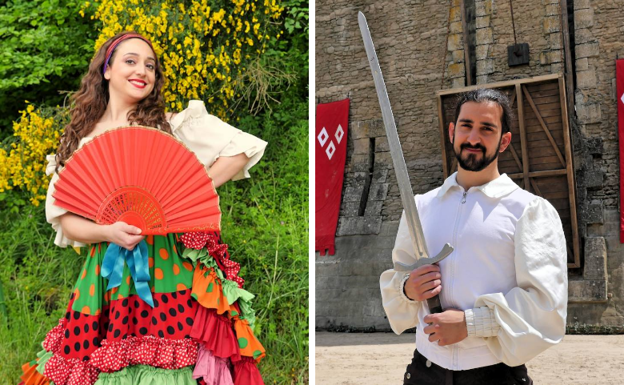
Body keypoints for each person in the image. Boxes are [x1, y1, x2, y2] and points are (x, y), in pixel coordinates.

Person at [19, 32, 268, 385]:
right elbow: (66, 220)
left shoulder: (170, 126)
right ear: (106, 70)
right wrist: (108, 231)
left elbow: (241, 148)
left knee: (176, 353)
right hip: (108, 273)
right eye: (131, 61)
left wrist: (192, 190)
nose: (143, 71)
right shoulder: (81, 140)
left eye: (150, 65)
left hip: (170, 266)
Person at [380, 88, 568, 385]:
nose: (474, 138)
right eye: (466, 126)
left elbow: (547, 306)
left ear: (504, 140)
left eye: (487, 129)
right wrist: (408, 289)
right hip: (425, 372)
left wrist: (471, 324)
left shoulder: (529, 211)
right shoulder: (421, 207)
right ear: (452, 131)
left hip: (494, 374)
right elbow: (398, 278)